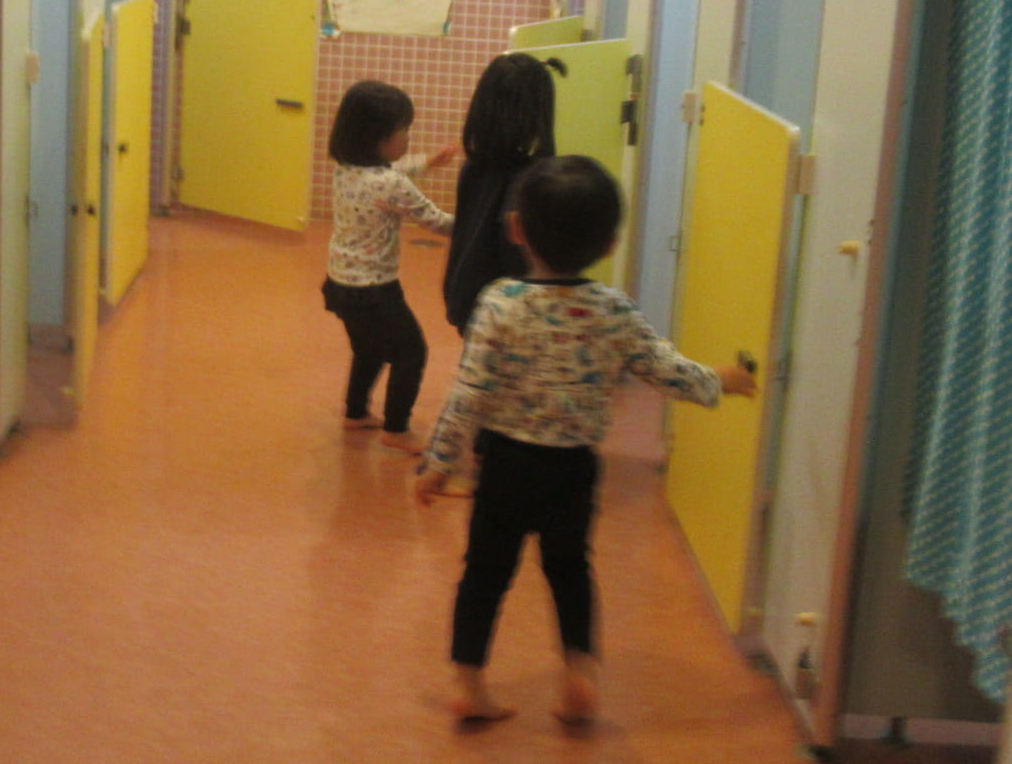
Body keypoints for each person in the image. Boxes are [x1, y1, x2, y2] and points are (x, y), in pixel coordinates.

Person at [415, 155, 758, 725]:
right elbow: (663, 370)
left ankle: (469, 683)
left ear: (516, 228)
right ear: (609, 244)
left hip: (505, 465)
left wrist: (439, 462)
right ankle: (579, 672)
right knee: (571, 570)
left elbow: (468, 394)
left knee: (484, 575)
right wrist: (721, 379)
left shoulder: (498, 303)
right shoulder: (612, 310)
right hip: (572, 470)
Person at [322, 80, 456, 452]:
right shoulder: (391, 184)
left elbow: (394, 170)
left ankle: (355, 412)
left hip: (340, 284)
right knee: (411, 353)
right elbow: (436, 221)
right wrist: (477, 225)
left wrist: (428, 162)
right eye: (404, 131)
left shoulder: (346, 168)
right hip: (375, 291)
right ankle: (396, 430)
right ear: (376, 138)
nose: (408, 138)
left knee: (368, 350)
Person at [441, 52, 556, 335]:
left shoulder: (475, 166)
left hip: (469, 296)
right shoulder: (531, 177)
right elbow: (517, 254)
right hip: (508, 311)